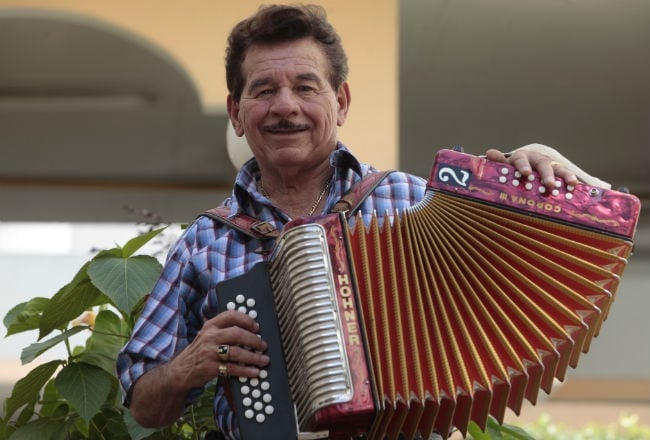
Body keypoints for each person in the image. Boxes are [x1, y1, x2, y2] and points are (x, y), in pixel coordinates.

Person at [117, 4, 604, 439]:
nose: (285, 106)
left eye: (306, 87)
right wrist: (186, 367)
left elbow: (525, 279)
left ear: (341, 102)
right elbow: (144, 404)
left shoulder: (417, 202)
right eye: (264, 90)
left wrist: (537, 185)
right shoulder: (207, 239)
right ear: (237, 113)